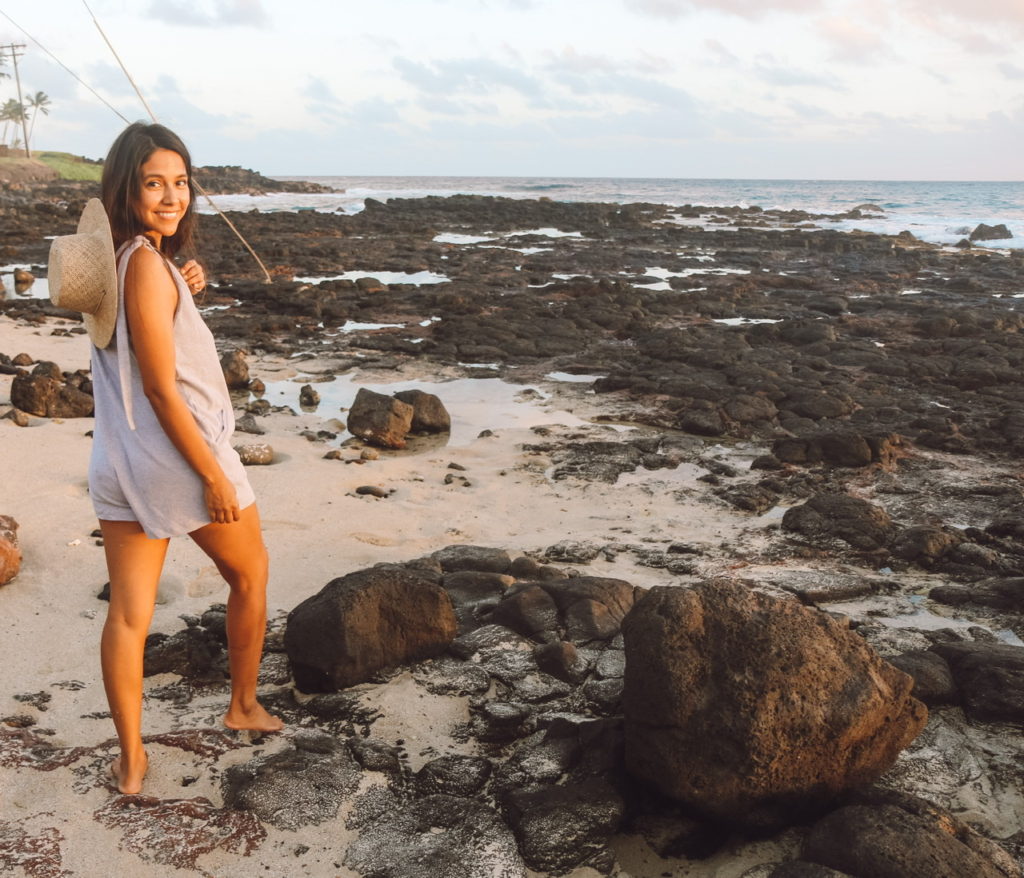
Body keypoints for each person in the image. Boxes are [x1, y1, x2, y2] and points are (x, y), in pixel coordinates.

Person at [49, 122, 282, 796]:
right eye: (154, 183)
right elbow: (159, 384)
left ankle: (131, 759)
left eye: (180, 183)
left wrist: (185, 288)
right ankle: (242, 705)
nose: (172, 196)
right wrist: (211, 473)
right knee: (252, 575)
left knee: (128, 614)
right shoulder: (148, 268)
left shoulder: (127, 264)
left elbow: (149, 335)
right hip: (175, 456)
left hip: (117, 461)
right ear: (127, 189)